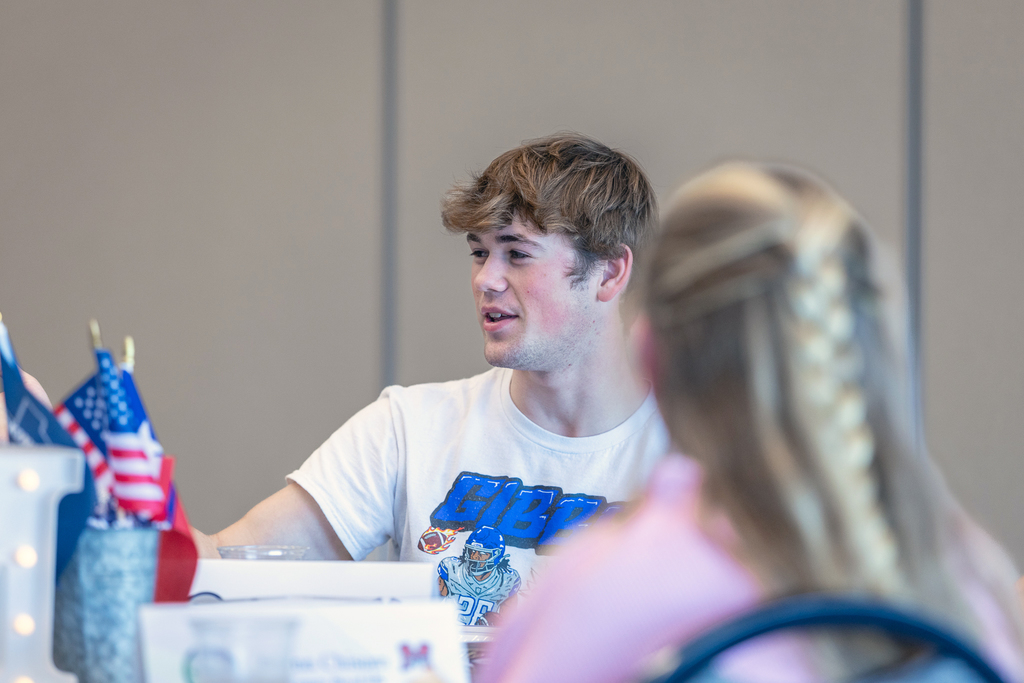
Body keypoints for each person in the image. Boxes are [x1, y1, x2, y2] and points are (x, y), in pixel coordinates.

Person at [479, 162, 1024, 682]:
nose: (487, 278)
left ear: (651, 356)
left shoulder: (595, 595)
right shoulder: (974, 587)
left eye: (517, 254)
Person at [192, 133, 670, 625]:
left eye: (517, 254)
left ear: (610, 273)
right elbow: (230, 566)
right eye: (479, 253)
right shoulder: (409, 427)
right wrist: (135, 528)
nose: (486, 279)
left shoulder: (702, 447)